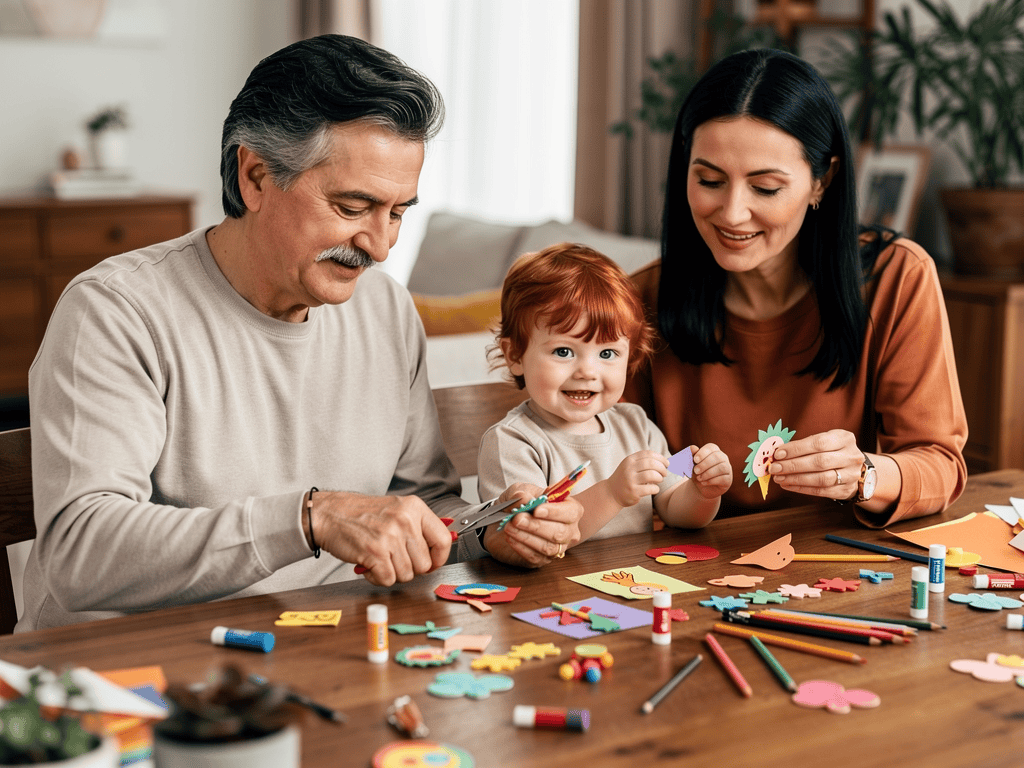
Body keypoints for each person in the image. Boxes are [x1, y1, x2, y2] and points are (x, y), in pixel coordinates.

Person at [18, 35, 581, 632]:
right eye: (353, 206)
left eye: (398, 212)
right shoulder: (115, 312)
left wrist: (491, 530)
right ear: (256, 175)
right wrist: (310, 518)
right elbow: (80, 553)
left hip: (320, 652)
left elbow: (427, 507)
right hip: (130, 678)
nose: (382, 246)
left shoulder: (385, 310)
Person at [624, 48, 967, 528]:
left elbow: (938, 463)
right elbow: (608, 463)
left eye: (765, 188)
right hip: (691, 570)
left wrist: (863, 474)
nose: (732, 212)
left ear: (822, 182)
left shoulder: (896, 278)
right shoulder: (638, 302)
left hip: (837, 566)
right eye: (709, 180)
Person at [476, 243, 732, 553]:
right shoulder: (512, 442)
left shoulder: (636, 425)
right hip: (553, 595)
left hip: (633, 588)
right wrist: (612, 493)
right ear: (515, 355)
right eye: (563, 351)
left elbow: (674, 506)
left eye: (607, 353)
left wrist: (703, 492)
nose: (587, 371)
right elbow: (536, 537)